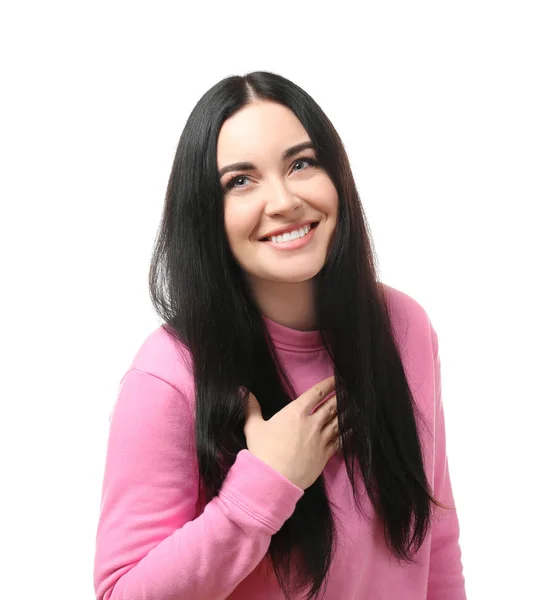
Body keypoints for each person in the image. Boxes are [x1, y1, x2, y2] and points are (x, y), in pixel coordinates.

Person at [93, 71, 467, 600]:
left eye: (301, 163)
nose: (284, 200)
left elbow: (435, 542)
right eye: (240, 181)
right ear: (206, 213)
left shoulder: (404, 328)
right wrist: (266, 483)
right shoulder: (170, 375)